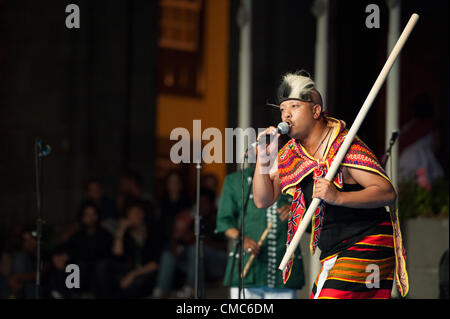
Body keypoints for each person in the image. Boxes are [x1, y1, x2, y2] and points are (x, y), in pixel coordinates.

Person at [252, 70, 408, 299]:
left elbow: (386, 192)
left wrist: (338, 197)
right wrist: (263, 160)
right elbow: (262, 200)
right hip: (333, 249)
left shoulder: (343, 144)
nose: (286, 115)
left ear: (316, 111)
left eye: (294, 107)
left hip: (368, 241)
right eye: (283, 109)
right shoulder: (290, 155)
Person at [216, 165, 305, 299]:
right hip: (248, 268)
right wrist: (242, 240)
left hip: (283, 269)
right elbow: (224, 221)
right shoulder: (235, 180)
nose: (266, 150)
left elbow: (314, 220)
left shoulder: (296, 177)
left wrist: (297, 212)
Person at [96, 201, 161, 298]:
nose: (136, 216)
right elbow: (117, 254)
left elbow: (156, 263)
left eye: (138, 212)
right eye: (133, 214)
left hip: (146, 271)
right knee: (103, 265)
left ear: (143, 214)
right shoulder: (126, 235)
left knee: (137, 282)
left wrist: (133, 275)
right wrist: (121, 229)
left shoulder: (153, 231)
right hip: (128, 269)